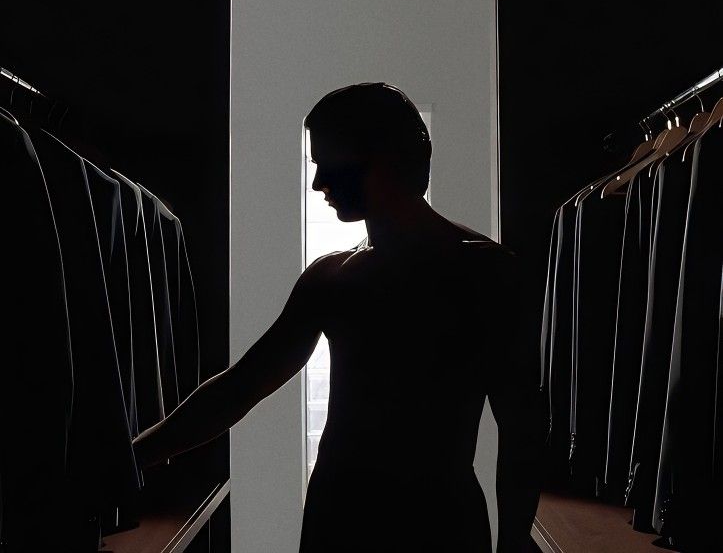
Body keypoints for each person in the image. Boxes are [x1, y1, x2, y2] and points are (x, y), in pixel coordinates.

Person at [132, 82, 544, 552]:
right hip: (356, 518)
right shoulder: (335, 277)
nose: (317, 183)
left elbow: (522, 424)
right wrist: (131, 458)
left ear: (386, 159)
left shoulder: (482, 272)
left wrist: (514, 536)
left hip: (422, 520)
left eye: (329, 164)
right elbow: (239, 387)